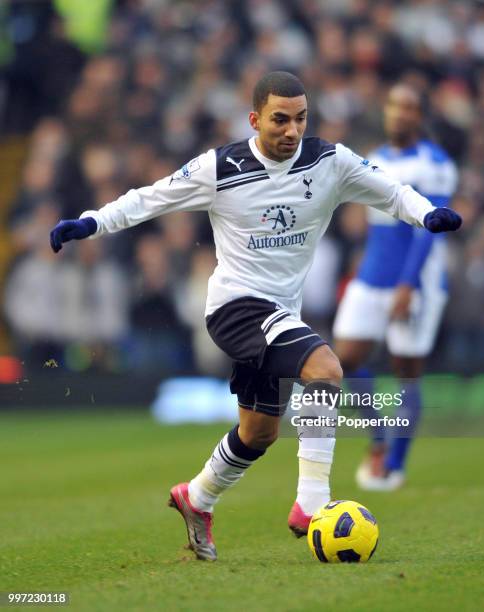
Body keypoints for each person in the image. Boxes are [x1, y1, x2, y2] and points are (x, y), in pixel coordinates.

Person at [49, 72, 461, 560]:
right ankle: (312, 506)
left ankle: (197, 497)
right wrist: (91, 223)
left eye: (301, 119)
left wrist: (426, 213)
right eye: (280, 120)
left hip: (281, 313)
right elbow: (150, 198)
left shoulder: (329, 162)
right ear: (255, 119)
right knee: (327, 368)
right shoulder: (221, 168)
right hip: (235, 307)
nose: (292, 131)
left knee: (259, 433)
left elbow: (391, 190)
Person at [330, 83, 458, 494]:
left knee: (407, 372)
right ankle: (380, 434)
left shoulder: (435, 163)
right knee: (342, 361)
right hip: (371, 277)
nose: (400, 114)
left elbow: (427, 232)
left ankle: (395, 465)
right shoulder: (375, 159)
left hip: (415, 283)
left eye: (409, 108)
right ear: (385, 111)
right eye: (394, 105)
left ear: (419, 116)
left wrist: (407, 285)